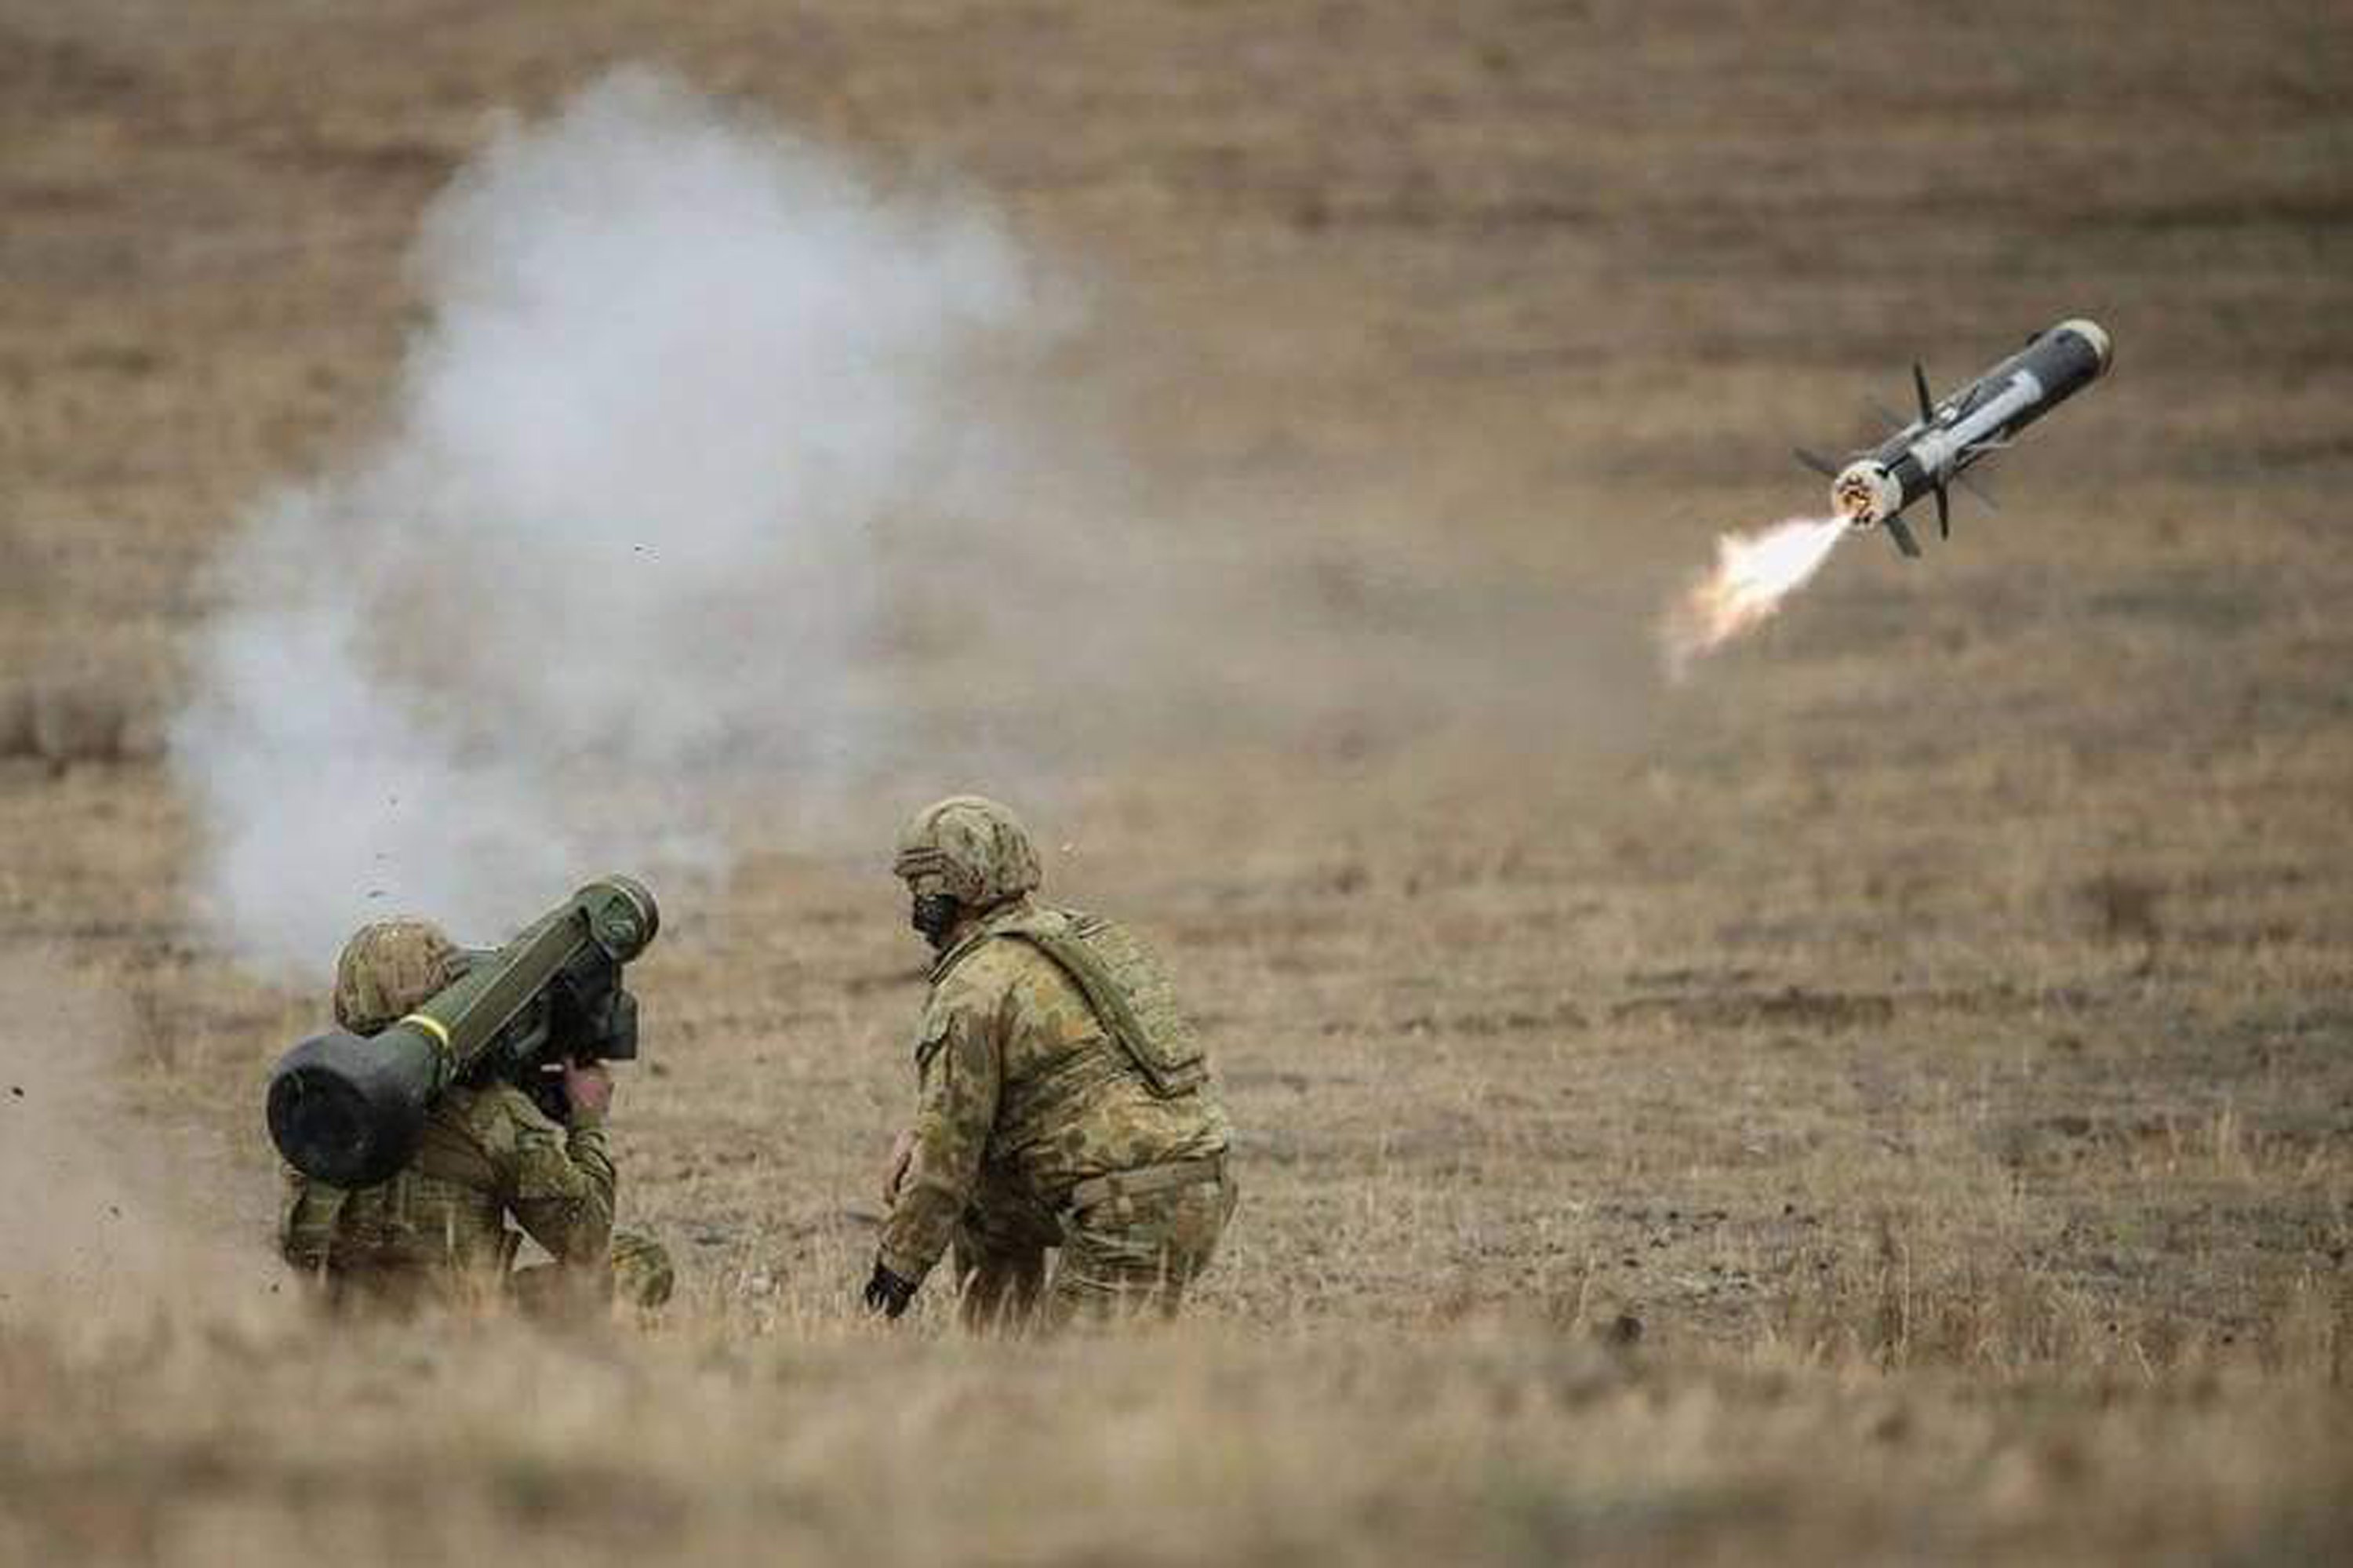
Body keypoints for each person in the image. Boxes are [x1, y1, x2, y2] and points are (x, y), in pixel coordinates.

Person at [864, 795, 1236, 1330]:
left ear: (945, 886)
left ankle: (1013, 1375)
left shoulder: (973, 984)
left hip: (1133, 1212)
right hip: (1199, 1179)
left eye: (918, 884)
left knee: (1077, 1394)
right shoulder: (1087, 936)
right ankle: (996, 1355)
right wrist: (923, 1129)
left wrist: (888, 1285)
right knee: (983, 1207)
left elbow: (943, 1169)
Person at [278, 917, 674, 1313]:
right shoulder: (490, 1114)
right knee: (641, 1261)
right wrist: (586, 1122)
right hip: (463, 1323)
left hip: (341, 1320)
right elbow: (585, 1238)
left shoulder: (315, 1098)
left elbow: (299, 1241)